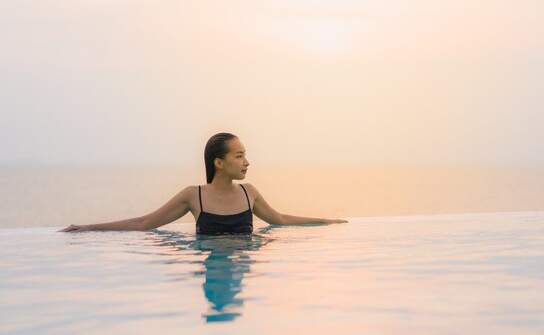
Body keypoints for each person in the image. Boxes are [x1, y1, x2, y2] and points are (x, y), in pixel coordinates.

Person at [58, 132, 348, 234]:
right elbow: (146, 222)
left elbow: (281, 219)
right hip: (208, 263)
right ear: (219, 163)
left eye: (246, 154)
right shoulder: (193, 196)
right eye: (239, 155)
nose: (247, 161)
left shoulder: (250, 193)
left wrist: (327, 221)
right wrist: (90, 227)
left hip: (241, 266)